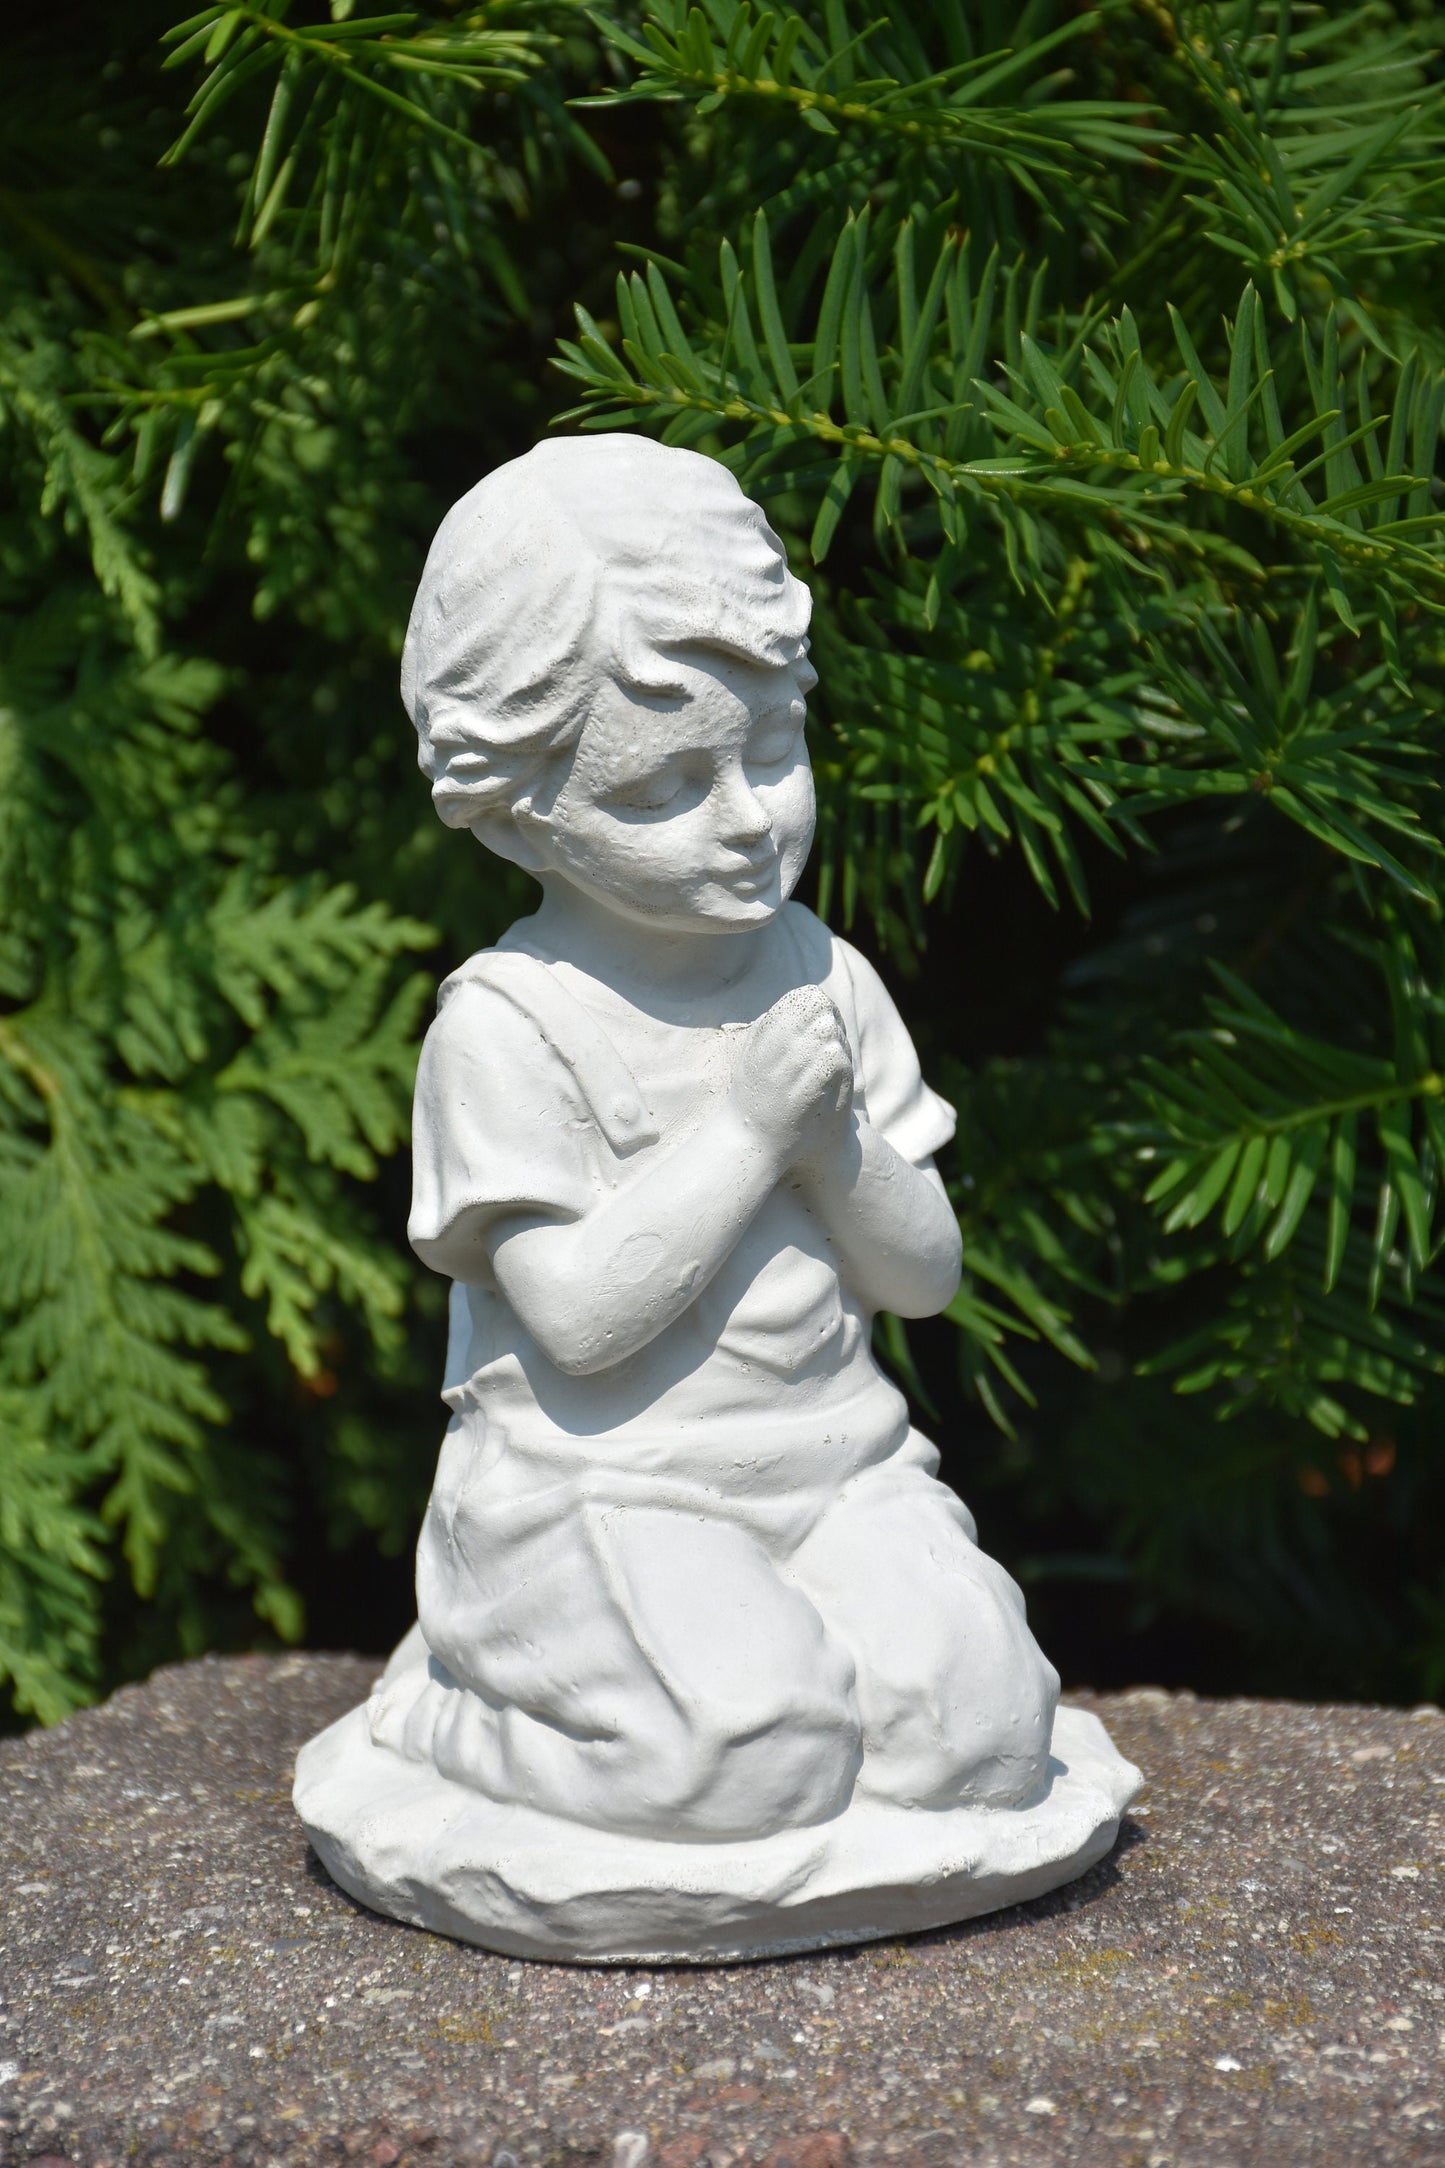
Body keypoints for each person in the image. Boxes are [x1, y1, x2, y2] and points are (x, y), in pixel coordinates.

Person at [366, 433, 1060, 1843]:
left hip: (835, 1469)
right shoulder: (512, 1027)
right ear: (517, 821)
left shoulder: (818, 976)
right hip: (594, 1499)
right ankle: (454, 1714)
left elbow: (920, 1277)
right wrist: (749, 1136)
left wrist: (833, 1148)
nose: (747, 821)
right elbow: (576, 1322)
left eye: (770, 751)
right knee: (744, 1761)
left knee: (983, 1736)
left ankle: (781, 1658)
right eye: (660, 790)